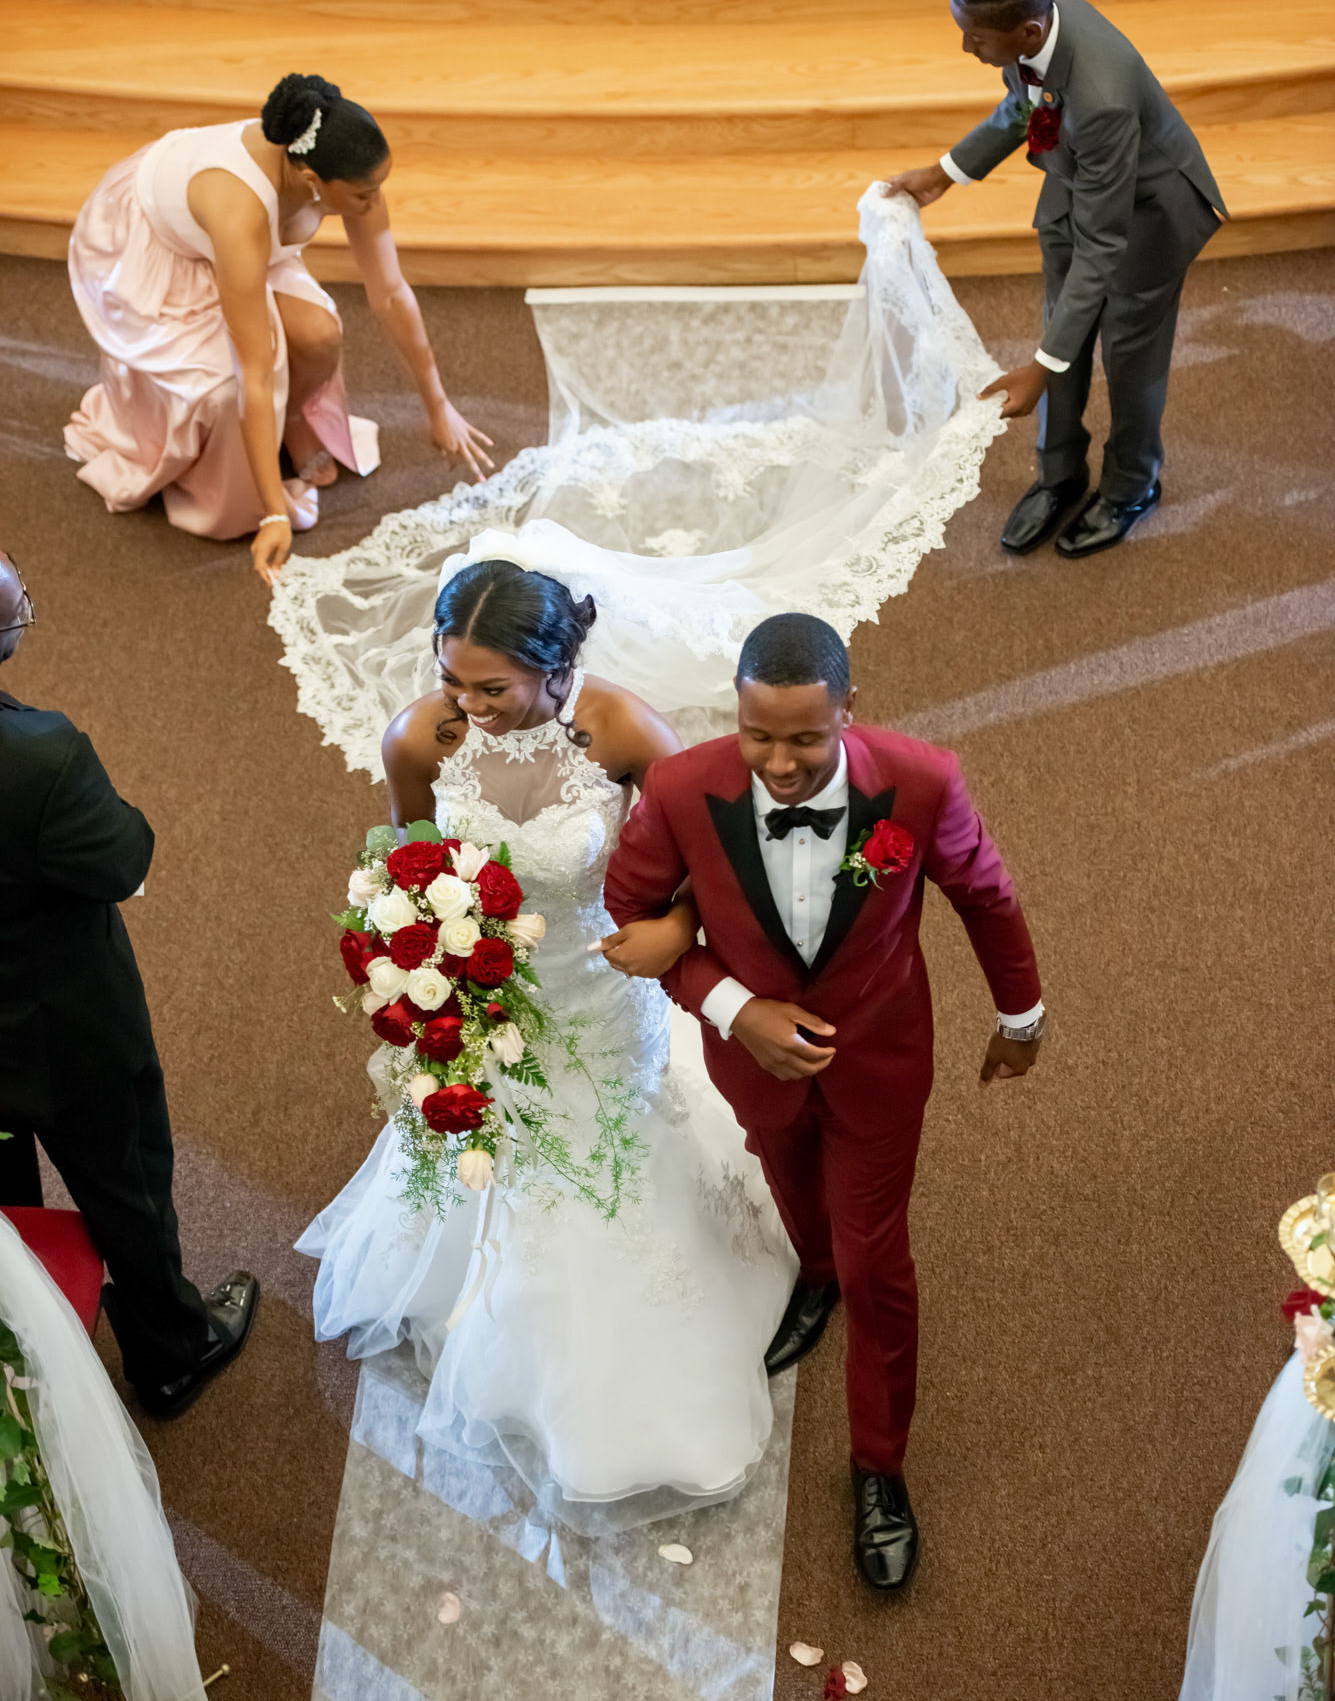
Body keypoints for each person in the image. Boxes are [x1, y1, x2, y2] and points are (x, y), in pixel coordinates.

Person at [297, 552, 796, 1527]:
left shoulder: (620, 730)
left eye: (492, 686)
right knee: (490, 1152)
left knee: (610, 1164)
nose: (467, 704)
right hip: (492, 1004)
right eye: (451, 678)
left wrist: (679, 928)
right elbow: (409, 861)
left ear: (559, 668)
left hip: (604, 991)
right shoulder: (421, 738)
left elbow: (721, 854)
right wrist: (423, 976)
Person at [603, 611, 1045, 1589]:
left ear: (851, 709)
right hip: (750, 1060)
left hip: (881, 1054)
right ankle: (812, 1274)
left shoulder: (922, 781)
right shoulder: (680, 789)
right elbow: (631, 912)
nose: (780, 761)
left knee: (877, 1249)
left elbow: (987, 894)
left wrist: (1021, 1015)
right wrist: (733, 1004)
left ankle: (879, 1464)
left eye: (806, 736)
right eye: (759, 734)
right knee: (787, 1173)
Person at [0, 550, 259, 1418]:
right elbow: (123, 857)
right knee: (126, 1183)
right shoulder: (41, 756)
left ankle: (22, 1341)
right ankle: (171, 1352)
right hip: (63, 1024)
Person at [65, 71, 494, 584]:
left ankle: (291, 422)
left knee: (319, 335)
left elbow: (390, 292)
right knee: (224, 390)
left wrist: (437, 403)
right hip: (154, 251)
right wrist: (273, 511)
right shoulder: (239, 207)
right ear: (312, 180)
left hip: (241, 249)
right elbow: (255, 368)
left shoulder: (341, 177)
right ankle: (212, 478)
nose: (373, 203)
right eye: (362, 195)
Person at [883, 0, 1225, 558]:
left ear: (1030, 32)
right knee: (1060, 329)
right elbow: (1023, 106)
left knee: (1127, 352)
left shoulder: (1103, 99)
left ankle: (1130, 486)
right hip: (1080, 186)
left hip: (1148, 215)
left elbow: (1104, 244)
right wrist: (945, 172)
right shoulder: (1040, 28)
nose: (966, 47)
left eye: (977, 39)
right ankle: (1060, 475)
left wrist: (1038, 371)